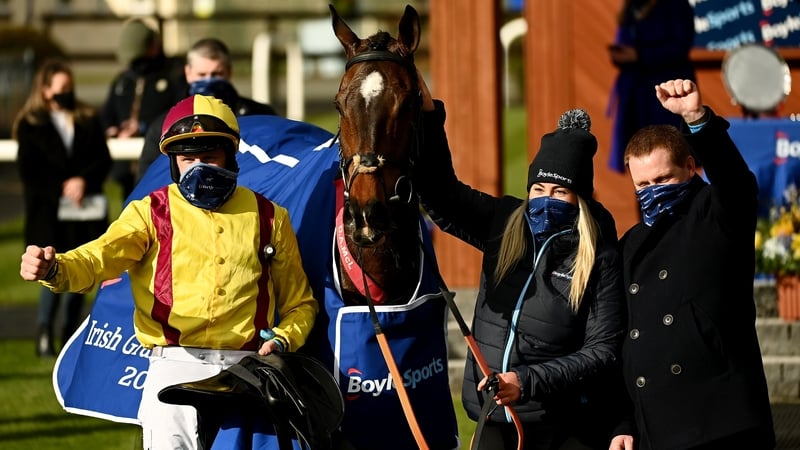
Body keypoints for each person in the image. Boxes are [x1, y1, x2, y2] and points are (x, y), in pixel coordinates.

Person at [19, 94, 319, 449]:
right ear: (174, 164)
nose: (199, 168)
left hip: (248, 371)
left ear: (231, 156)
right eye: (188, 159)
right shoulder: (148, 212)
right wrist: (54, 267)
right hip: (174, 367)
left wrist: (284, 338)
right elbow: (98, 258)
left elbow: (301, 303)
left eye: (209, 157)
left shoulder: (271, 216)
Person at [415, 77, 629, 449]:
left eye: (561, 191)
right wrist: (429, 115)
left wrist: (527, 380)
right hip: (491, 416)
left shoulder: (600, 256)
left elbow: (602, 351)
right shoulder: (504, 220)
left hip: (561, 424)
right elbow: (441, 195)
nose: (547, 199)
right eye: (539, 190)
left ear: (580, 198)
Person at [610, 79, 776, 450]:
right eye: (643, 184)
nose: (653, 190)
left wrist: (696, 118)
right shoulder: (631, 246)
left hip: (724, 424)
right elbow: (623, 342)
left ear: (689, 167)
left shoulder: (716, 214)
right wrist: (623, 422)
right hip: (655, 429)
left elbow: (735, 181)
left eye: (663, 178)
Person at [13, 58, 111, 357]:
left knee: (80, 271)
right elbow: (30, 170)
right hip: (48, 214)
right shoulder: (30, 125)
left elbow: (102, 160)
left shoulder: (86, 118)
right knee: (48, 271)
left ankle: (69, 334)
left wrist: (82, 180)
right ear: (45, 91)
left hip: (83, 212)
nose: (68, 93)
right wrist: (64, 185)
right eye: (61, 88)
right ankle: (44, 333)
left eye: (70, 87)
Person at [136, 37, 277, 183]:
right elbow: (148, 180)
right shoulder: (166, 125)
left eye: (216, 74)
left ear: (229, 72)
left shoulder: (259, 115)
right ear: (188, 73)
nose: (209, 81)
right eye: (202, 75)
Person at [101, 17, 187, 199]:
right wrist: (114, 130)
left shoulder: (173, 76)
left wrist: (143, 128)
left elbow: (179, 112)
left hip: (157, 159)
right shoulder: (122, 81)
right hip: (124, 165)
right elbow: (107, 115)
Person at [606, 0, 696, 173]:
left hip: (668, 92)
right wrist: (620, 54)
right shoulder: (632, 5)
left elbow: (680, 47)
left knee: (670, 154)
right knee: (639, 154)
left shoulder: (676, 5)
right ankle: (644, 196)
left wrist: (640, 55)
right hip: (636, 92)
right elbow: (624, 38)